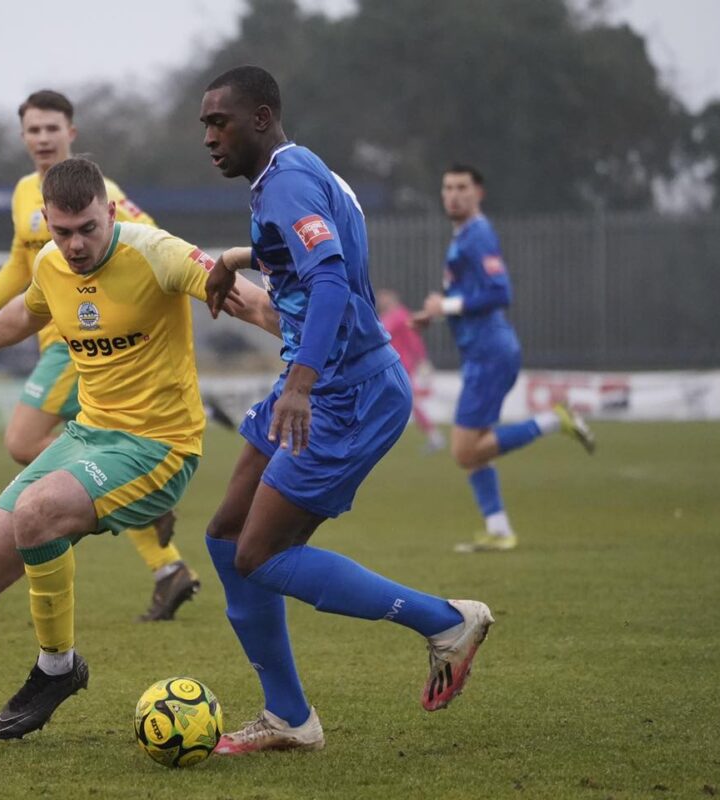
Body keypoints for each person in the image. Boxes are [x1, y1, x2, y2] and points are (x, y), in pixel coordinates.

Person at [0, 156, 277, 742]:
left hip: (159, 445)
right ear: (48, 223)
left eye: (87, 229)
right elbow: (26, 311)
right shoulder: (52, 264)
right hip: (85, 438)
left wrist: (322, 342)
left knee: (38, 512)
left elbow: (250, 303)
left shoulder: (158, 252)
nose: (74, 245)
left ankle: (58, 668)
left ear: (109, 211)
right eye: (61, 231)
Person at [198, 66, 494, 756]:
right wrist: (238, 257)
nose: (210, 137)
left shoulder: (288, 183)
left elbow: (331, 277)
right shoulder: (290, 173)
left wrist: (299, 384)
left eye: (222, 122)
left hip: (343, 393)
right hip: (321, 382)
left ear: (263, 117)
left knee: (259, 555)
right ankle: (289, 718)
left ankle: (446, 622)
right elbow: (312, 252)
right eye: (205, 125)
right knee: (225, 537)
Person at [0, 90, 199, 622]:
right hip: (50, 333)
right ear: (23, 137)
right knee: (31, 452)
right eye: (33, 130)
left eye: (51, 129)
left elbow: (145, 241)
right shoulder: (23, 194)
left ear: (71, 134)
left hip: (82, 342)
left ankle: (148, 511)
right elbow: (25, 268)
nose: (42, 139)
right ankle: (165, 562)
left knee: (22, 442)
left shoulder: (101, 192)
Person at [413, 165, 595, 553]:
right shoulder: (463, 236)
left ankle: (553, 420)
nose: (453, 195)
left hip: (491, 353)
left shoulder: (478, 234)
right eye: (447, 188)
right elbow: (473, 295)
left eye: (462, 187)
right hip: (484, 352)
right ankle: (498, 529)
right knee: (477, 445)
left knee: (464, 450)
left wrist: (445, 304)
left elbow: (500, 293)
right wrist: (439, 311)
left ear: (479, 193)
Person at [376, 288, 445, 452]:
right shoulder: (389, 316)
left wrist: (422, 359)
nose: (380, 301)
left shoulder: (400, 315)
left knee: (409, 400)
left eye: (383, 298)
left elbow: (412, 337)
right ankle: (433, 436)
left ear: (391, 298)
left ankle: (434, 436)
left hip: (401, 363)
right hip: (391, 364)